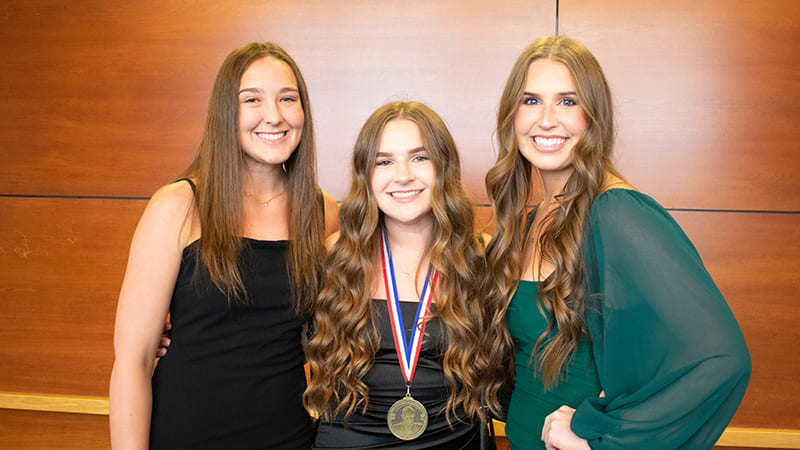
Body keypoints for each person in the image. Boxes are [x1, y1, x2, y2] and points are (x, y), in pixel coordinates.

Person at [483, 36, 751, 449]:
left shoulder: (617, 212)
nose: (547, 120)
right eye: (531, 101)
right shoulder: (528, 223)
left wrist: (598, 440)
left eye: (568, 102)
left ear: (594, 116)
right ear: (511, 115)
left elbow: (721, 361)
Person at [109, 42, 338, 449]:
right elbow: (133, 362)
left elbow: (312, 336)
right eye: (252, 99)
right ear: (224, 114)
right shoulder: (178, 206)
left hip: (287, 436)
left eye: (288, 98)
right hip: (186, 434)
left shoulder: (321, 212)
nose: (275, 115)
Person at [303, 101, 503, 448]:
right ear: (366, 175)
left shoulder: (482, 258)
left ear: (444, 167)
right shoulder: (332, 256)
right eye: (384, 161)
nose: (403, 175)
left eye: (419, 157)